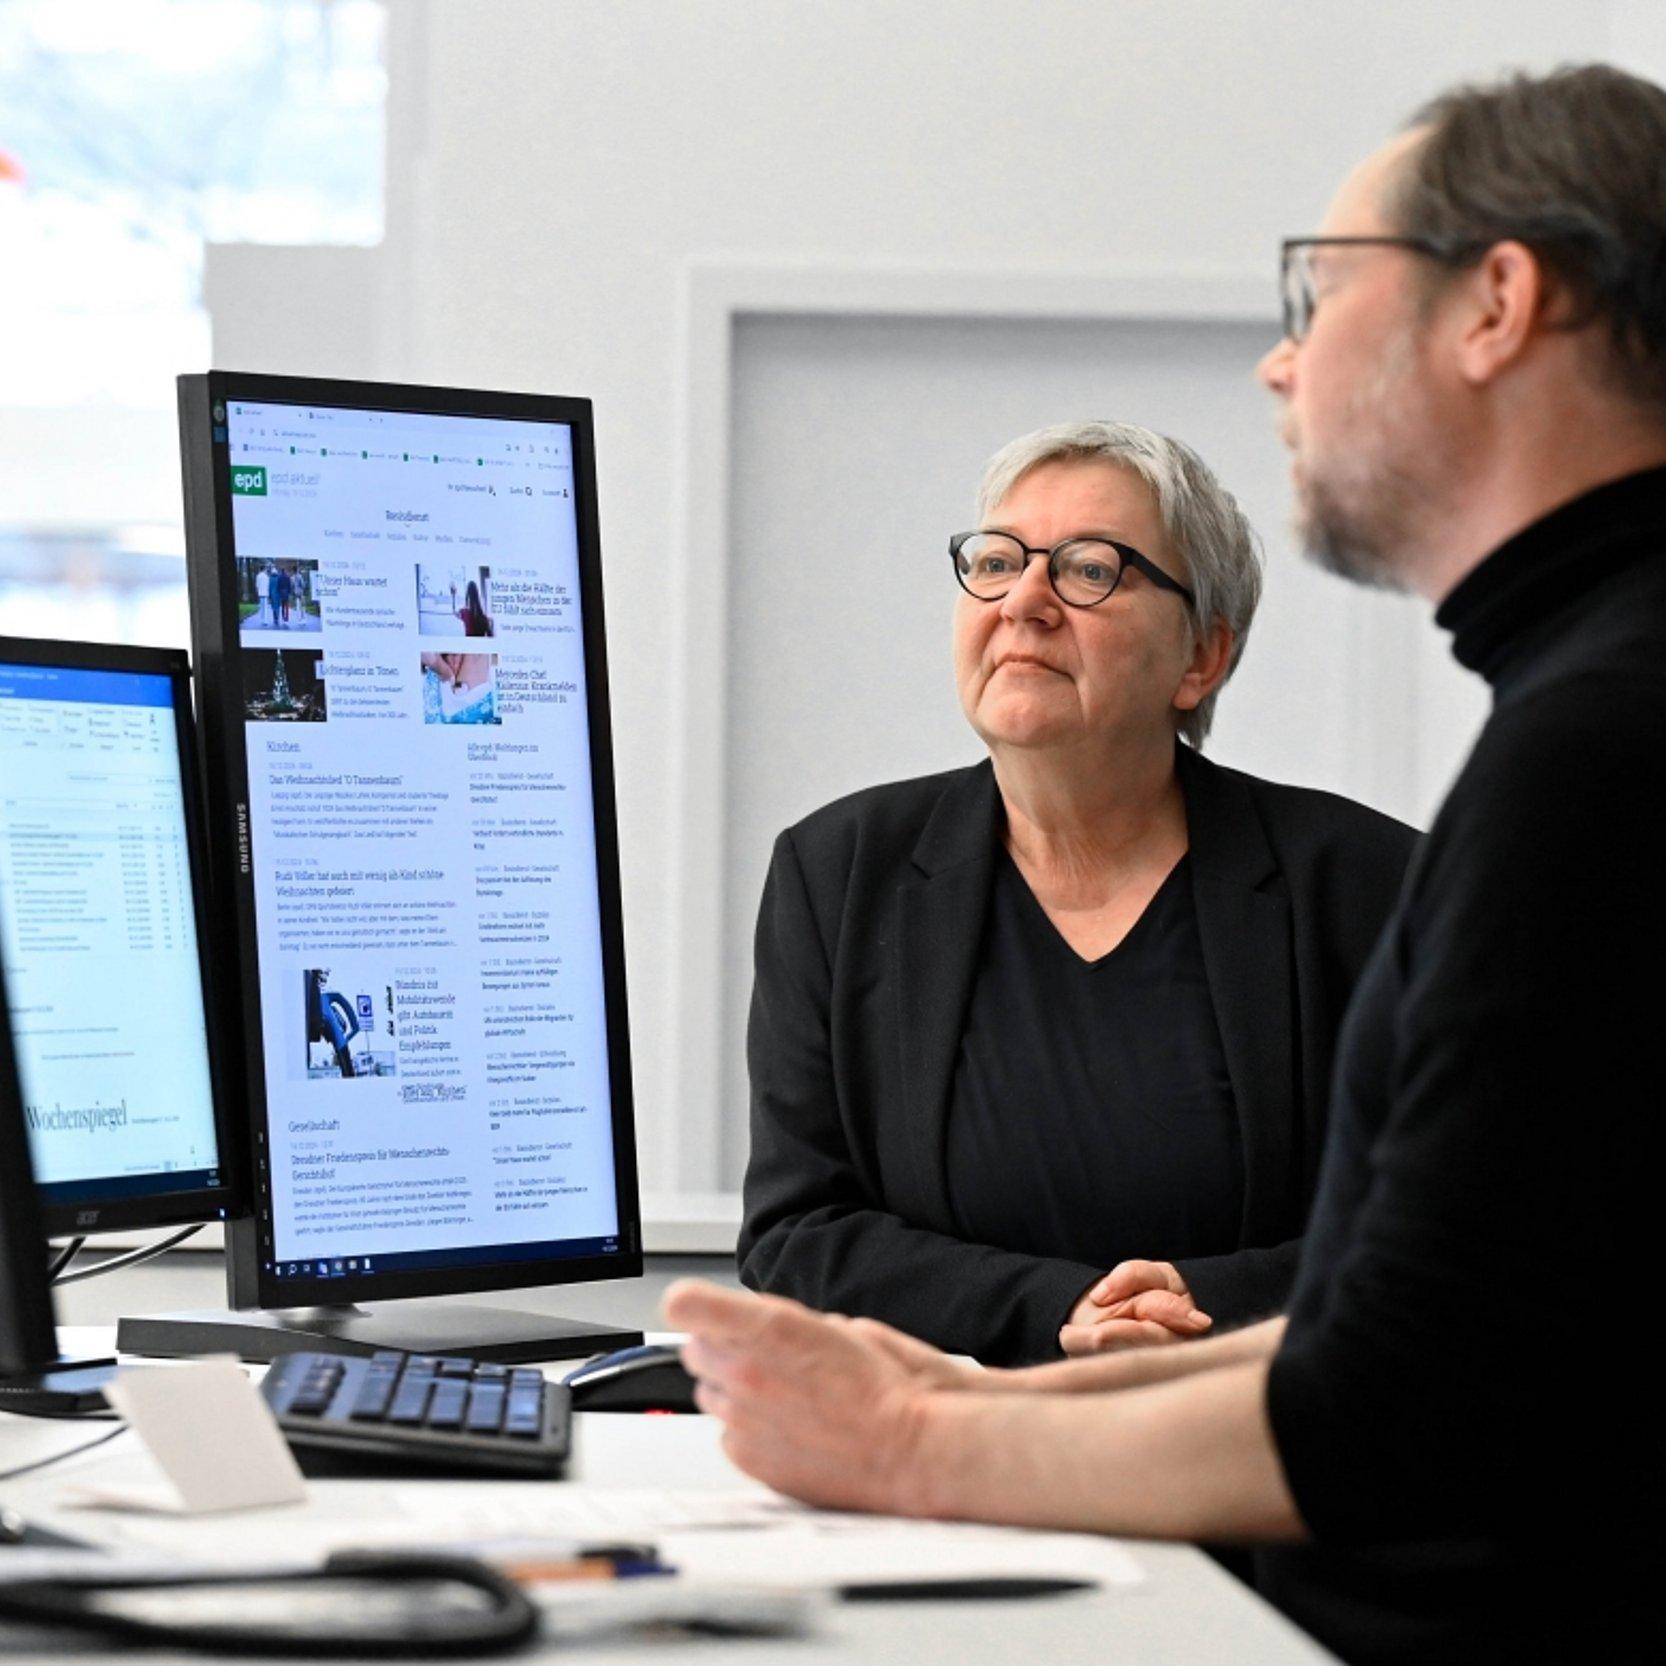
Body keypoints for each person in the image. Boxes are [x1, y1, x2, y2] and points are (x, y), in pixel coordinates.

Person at [671, 63, 1666, 1666]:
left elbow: (1389, 1391)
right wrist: (944, 1376)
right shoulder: (1579, 705)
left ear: (1496, 303)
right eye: (994, 562)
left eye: (1319, 292)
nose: (1284, 364)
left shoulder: (1594, 747)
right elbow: (1396, 1320)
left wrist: (913, 1447)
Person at [739, 422, 1414, 1367]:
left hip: (1260, 1447)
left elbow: (1451, 1220)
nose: (1025, 601)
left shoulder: (1373, 887)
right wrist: (1055, 1307)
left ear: (1202, 658)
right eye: (998, 560)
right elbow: (795, 1234)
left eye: (1091, 570)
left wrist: (1209, 1302)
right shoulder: (838, 873)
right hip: (944, 1460)